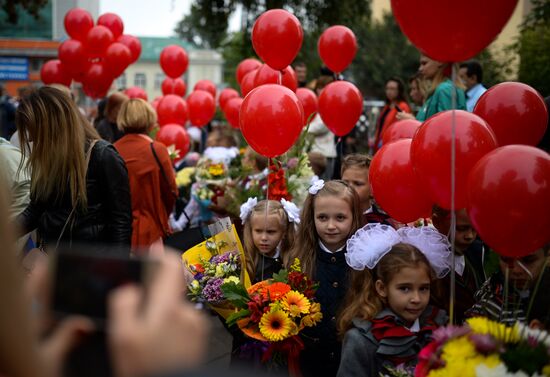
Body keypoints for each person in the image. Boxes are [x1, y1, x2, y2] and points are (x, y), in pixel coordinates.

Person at [15, 86, 132, 252]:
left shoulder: (103, 155)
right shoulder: (46, 158)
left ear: (53, 124)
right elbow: (36, 209)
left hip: (91, 265)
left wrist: (117, 269)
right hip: (54, 261)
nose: (31, 137)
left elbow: (121, 222)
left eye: (34, 129)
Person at [337, 224, 451, 377]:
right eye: (405, 288)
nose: (416, 299)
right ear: (382, 288)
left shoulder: (439, 327)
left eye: (423, 288)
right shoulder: (361, 341)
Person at [285, 179, 362, 377]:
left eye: (340, 218)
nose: (331, 226)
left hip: (351, 359)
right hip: (310, 361)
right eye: (322, 217)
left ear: (354, 218)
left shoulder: (364, 261)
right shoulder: (299, 259)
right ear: (312, 218)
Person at [114, 98, 177, 252]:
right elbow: (171, 192)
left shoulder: (112, 149)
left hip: (118, 234)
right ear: (149, 118)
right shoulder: (156, 149)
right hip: (150, 232)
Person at [466, 245, 550, 328]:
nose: (516, 270)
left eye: (528, 260)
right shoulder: (487, 309)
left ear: (548, 257)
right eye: (507, 259)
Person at [241, 198, 299, 283]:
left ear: (284, 232)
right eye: (258, 231)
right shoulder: (245, 261)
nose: (264, 238)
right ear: (250, 230)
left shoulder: (289, 261)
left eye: (271, 232)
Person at [415, 55, 466, 121]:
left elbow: (444, 127)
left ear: (440, 62)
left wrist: (413, 122)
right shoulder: (443, 89)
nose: (420, 69)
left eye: (424, 63)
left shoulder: (445, 89)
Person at [308, 76, 337, 180]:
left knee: (324, 186)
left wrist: (302, 128)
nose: (321, 91)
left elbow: (322, 126)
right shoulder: (314, 104)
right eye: (319, 88)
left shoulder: (331, 105)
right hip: (313, 153)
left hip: (326, 154)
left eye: (324, 88)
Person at [373, 77, 412, 153]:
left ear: (399, 91)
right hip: (380, 142)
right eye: (387, 88)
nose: (389, 92)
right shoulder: (387, 106)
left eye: (392, 89)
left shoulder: (402, 106)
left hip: (391, 144)